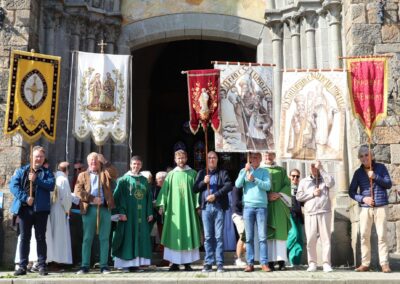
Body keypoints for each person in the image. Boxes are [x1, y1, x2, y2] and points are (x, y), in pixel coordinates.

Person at [10, 146, 55, 276]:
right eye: (36, 156)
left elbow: (51, 185)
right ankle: (22, 266)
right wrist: (25, 198)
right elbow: (13, 186)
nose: (39, 159)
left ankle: (42, 265)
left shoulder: (47, 172)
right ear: (32, 157)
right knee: (25, 238)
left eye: (41, 156)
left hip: (41, 210)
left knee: (41, 238)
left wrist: (37, 180)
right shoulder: (22, 171)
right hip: (25, 209)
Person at [349, 145, 392, 273]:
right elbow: (351, 191)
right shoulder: (358, 173)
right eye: (361, 156)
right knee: (363, 235)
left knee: (382, 236)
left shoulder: (381, 168)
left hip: (381, 206)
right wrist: (363, 199)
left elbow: (388, 184)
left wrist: (375, 177)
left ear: (371, 155)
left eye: (366, 155)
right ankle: (365, 263)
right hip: (365, 208)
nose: (364, 158)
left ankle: (384, 264)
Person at [156, 149, 201, 271]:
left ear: (186, 158)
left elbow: (197, 191)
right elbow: (164, 191)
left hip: (188, 209)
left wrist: (197, 204)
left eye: (183, 158)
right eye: (178, 158)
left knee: (187, 232)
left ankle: (187, 263)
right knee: (174, 234)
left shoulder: (192, 173)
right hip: (173, 211)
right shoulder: (171, 175)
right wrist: (161, 205)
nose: (181, 160)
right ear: (175, 160)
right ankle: (174, 263)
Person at [74, 152, 118, 274]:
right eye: (91, 161)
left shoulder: (105, 173)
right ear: (88, 162)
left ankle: (104, 265)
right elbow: (78, 191)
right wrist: (92, 198)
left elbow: (115, 173)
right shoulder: (82, 175)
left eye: (96, 160)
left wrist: (105, 161)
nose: (94, 162)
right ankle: (85, 265)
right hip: (90, 209)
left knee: (104, 238)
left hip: (104, 209)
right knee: (87, 238)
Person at [112, 156, 153, 271]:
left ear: (141, 165)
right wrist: (121, 212)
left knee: (139, 238)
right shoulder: (123, 180)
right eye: (134, 164)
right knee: (127, 238)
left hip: (141, 216)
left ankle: (135, 264)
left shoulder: (144, 180)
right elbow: (117, 197)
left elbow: (149, 197)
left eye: (138, 164)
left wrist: (149, 212)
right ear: (130, 165)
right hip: (128, 216)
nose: (136, 166)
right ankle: (125, 265)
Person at [194, 151, 232, 273]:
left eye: (214, 158)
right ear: (206, 160)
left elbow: (228, 186)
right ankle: (208, 262)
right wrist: (203, 182)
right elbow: (195, 189)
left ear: (217, 159)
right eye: (209, 158)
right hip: (206, 208)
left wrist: (215, 195)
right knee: (208, 237)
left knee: (219, 236)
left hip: (219, 207)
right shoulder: (201, 173)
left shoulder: (223, 172)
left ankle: (220, 263)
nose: (211, 160)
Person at [235, 152, 271, 272]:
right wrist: (245, 171)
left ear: (260, 159)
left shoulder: (265, 172)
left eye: (256, 157)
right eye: (252, 157)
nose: (254, 159)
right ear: (249, 159)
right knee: (249, 237)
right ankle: (249, 263)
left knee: (262, 237)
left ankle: (264, 263)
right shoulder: (244, 170)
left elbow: (267, 186)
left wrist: (254, 179)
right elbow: (237, 184)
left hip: (261, 207)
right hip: (248, 207)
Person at [296, 161, 335, 272]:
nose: (314, 168)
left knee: (326, 238)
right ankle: (312, 263)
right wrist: (312, 194)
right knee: (311, 239)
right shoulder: (304, 181)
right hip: (310, 212)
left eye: (316, 166)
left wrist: (322, 170)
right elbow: (299, 196)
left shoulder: (325, 178)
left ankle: (326, 263)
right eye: (312, 166)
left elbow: (331, 183)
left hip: (324, 211)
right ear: (309, 167)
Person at [261, 152, 291, 271]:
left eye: (271, 155)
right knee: (268, 233)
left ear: (274, 156)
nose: (268, 157)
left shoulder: (281, 170)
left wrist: (278, 194)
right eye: (266, 155)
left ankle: (282, 261)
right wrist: (267, 195)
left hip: (279, 203)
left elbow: (287, 185)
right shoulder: (260, 170)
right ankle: (270, 261)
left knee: (280, 234)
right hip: (266, 203)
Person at [47, 161, 73, 265]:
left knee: (51, 234)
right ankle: (58, 260)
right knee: (59, 235)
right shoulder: (63, 179)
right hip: (60, 210)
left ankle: (50, 258)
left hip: (51, 209)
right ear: (67, 170)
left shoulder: (53, 177)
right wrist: (68, 209)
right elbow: (66, 197)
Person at [287, 168, 304, 267]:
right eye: (293, 176)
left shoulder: (301, 188)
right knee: (294, 234)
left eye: (297, 176)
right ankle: (283, 255)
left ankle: (295, 261)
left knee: (299, 240)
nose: (295, 178)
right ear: (289, 177)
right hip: (290, 214)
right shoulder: (287, 187)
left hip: (298, 215)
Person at [231, 186, 246, 267]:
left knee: (246, 239)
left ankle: (239, 257)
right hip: (238, 214)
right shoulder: (236, 188)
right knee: (242, 236)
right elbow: (236, 203)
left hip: (245, 215)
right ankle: (238, 259)